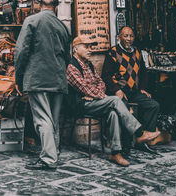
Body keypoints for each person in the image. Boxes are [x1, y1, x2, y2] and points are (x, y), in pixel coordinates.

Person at [67, 36, 160, 167]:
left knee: (113, 113)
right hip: (81, 105)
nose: (90, 50)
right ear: (75, 49)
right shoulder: (72, 67)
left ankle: (115, 153)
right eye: (86, 47)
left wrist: (93, 95)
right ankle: (139, 133)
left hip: (93, 101)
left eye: (91, 47)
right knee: (115, 100)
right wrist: (94, 94)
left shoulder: (89, 65)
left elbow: (101, 84)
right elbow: (85, 88)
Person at [14, 0, 70, 170]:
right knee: (53, 119)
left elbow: (21, 51)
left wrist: (18, 77)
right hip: (58, 77)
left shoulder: (32, 20)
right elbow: (68, 56)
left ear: (39, 5)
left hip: (38, 77)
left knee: (42, 118)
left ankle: (48, 158)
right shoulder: (63, 26)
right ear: (56, 6)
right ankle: (54, 152)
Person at [102, 26, 160, 135]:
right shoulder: (113, 52)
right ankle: (126, 140)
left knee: (153, 105)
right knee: (125, 109)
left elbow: (143, 72)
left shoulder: (137, 52)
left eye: (131, 36)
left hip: (134, 92)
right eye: (126, 36)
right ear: (119, 38)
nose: (129, 39)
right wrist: (116, 90)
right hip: (119, 93)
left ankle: (146, 136)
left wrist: (142, 88)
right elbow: (105, 76)